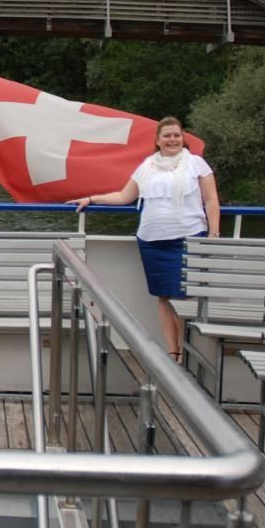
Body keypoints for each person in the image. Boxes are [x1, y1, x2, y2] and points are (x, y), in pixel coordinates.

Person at [66, 117, 220, 364]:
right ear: (157, 141)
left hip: (188, 238)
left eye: (176, 135)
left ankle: (183, 351)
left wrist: (214, 234)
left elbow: (211, 200)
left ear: (183, 138)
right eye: (167, 136)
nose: (172, 140)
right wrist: (92, 199)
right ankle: (172, 351)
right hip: (152, 240)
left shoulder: (196, 164)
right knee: (163, 295)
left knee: (182, 296)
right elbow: (125, 196)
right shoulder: (147, 165)